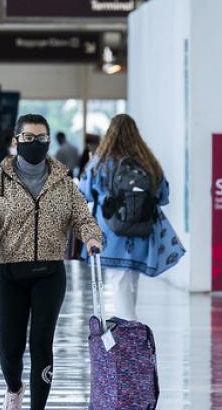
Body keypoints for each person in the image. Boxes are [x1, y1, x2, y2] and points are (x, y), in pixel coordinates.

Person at [0, 114, 102, 410]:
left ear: (48, 141)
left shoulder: (62, 181)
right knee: (10, 347)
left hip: (49, 273)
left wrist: (91, 237)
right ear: (16, 141)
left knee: (41, 342)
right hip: (10, 273)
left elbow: (82, 217)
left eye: (41, 138)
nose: (34, 144)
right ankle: (14, 388)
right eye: (28, 138)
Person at [79, 114, 184, 322]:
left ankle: (129, 331)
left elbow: (84, 193)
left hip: (110, 233)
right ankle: (128, 327)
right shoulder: (148, 162)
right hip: (141, 232)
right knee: (129, 284)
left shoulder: (101, 162)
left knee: (120, 284)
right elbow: (163, 196)